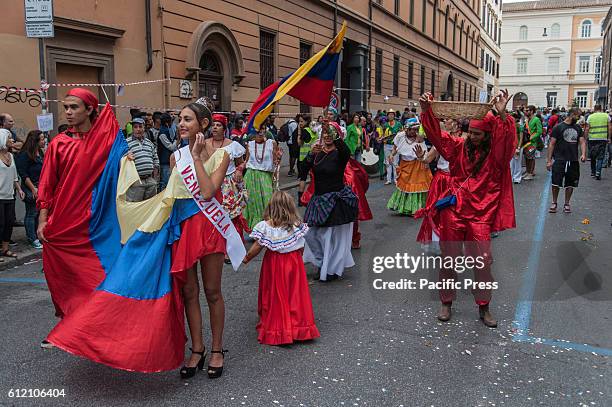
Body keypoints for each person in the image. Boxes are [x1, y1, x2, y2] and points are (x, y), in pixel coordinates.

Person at [420, 90, 516, 328]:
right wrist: (426, 111)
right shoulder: (458, 147)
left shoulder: (497, 155)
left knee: (482, 262)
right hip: (454, 210)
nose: (471, 137)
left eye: (476, 134)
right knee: (449, 258)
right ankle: (446, 302)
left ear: (487, 134)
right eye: (470, 132)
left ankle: (484, 306)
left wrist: (503, 117)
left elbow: (507, 140)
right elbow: (437, 136)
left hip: (481, 214)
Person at [36, 88, 109, 348]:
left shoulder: (107, 143)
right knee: (64, 279)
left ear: (89, 110)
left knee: (97, 277)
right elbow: (47, 184)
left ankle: (92, 324)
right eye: (66, 107)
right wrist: (43, 219)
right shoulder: (58, 144)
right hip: (63, 224)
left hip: (96, 224)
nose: (67, 112)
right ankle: (70, 323)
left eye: (74, 107)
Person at [170, 101, 232, 379]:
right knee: (189, 292)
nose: (181, 124)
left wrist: (196, 157)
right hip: (184, 229)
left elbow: (207, 192)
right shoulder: (175, 157)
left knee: (212, 291)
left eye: (187, 119)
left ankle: (217, 349)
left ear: (203, 125)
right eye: (179, 119)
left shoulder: (222, 156)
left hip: (210, 227)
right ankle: (197, 348)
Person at [243, 191, 319, 345]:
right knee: (295, 294)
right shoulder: (296, 225)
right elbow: (301, 246)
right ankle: (299, 327)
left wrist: (246, 258)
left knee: (277, 294)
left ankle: (279, 330)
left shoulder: (265, 227)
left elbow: (257, 247)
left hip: (275, 264)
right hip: (294, 263)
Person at [302, 123, 358, 281]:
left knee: (330, 238)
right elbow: (303, 171)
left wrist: (334, 133)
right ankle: (321, 262)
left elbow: (346, 152)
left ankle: (331, 269)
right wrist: (310, 156)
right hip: (319, 200)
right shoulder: (317, 152)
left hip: (336, 201)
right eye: (324, 133)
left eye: (330, 133)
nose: (326, 136)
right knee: (309, 233)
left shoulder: (339, 153)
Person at [206, 114, 249, 259]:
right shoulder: (205, 144)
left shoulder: (233, 145)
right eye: (213, 125)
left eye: (218, 125)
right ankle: (216, 247)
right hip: (211, 183)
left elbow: (241, 163)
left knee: (230, 217)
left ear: (224, 128)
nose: (215, 128)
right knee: (213, 216)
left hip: (228, 185)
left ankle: (232, 249)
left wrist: (239, 170)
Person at [387, 118, 432, 216]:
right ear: (407, 129)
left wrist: (422, 158)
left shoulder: (420, 139)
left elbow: (424, 155)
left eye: (416, 130)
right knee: (405, 186)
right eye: (413, 130)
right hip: (405, 164)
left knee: (416, 187)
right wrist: (391, 155)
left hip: (417, 166)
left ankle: (416, 209)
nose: (415, 132)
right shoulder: (400, 136)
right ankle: (403, 207)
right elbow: (395, 148)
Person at [546, 107, 587, 213]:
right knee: (556, 182)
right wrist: (549, 160)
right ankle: (554, 202)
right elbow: (552, 144)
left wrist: (583, 154)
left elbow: (582, 141)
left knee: (571, 183)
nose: (579, 118)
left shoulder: (578, 128)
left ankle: (567, 203)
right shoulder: (558, 127)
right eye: (578, 115)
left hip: (573, 160)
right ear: (572, 114)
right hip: (560, 159)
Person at [243, 126, 279, 230]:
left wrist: (275, 179)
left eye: (262, 129)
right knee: (253, 204)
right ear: (253, 132)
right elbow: (246, 161)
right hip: (251, 176)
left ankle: (268, 227)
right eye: (257, 130)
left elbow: (275, 162)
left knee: (268, 202)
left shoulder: (271, 143)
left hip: (265, 176)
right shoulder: (249, 144)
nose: (260, 132)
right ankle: (256, 229)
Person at [16, 129, 45, 249]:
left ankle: (37, 235)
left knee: (38, 212)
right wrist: (33, 189)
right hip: (30, 186)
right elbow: (23, 174)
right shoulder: (25, 154)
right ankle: (32, 238)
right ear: (35, 141)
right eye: (42, 139)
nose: (44, 141)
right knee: (31, 213)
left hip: (40, 185)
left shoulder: (40, 152)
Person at [0, 129, 25, 260]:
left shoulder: (11, 156)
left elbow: (14, 176)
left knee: (9, 222)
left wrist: (20, 189)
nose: (12, 141)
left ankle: (5, 249)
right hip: (0, 196)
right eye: (9, 138)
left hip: (10, 195)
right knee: (1, 223)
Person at [126, 117, 159, 202]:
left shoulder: (149, 143)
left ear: (144, 128)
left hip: (150, 181)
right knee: (135, 207)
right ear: (132, 129)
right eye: (135, 127)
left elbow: (156, 161)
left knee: (150, 206)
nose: (138, 129)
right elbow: (121, 160)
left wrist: (154, 179)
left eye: (140, 126)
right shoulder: (126, 143)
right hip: (135, 182)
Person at [584, 104, 611, 180]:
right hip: (602, 138)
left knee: (593, 156)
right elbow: (610, 127)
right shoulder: (606, 116)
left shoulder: (590, 117)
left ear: (594, 109)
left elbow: (587, 128)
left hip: (592, 139)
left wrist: (585, 139)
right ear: (601, 108)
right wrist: (609, 137)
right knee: (600, 156)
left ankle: (593, 172)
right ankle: (598, 172)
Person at [296, 116, 316, 205]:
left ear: (306, 121)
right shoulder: (314, 130)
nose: (300, 123)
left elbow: (300, 143)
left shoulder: (305, 131)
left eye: (301, 121)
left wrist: (299, 133)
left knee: (303, 178)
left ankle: (300, 200)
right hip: (314, 157)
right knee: (314, 177)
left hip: (304, 158)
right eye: (299, 122)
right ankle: (313, 196)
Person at [157, 112, 180, 190]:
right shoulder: (162, 133)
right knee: (166, 183)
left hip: (170, 161)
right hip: (165, 162)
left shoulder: (167, 130)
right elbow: (171, 147)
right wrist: (177, 139)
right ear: (167, 123)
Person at [522, 105, 542, 180]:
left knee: (531, 158)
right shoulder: (527, 120)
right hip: (526, 142)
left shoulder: (536, 119)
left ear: (532, 111)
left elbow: (539, 131)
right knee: (527, 157)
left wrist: (531, 137)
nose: (525, 112)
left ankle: (530, 173)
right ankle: (527, 172)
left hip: (532, 142)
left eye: (527, 110)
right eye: (525, 110)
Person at [383, 109, 402, 184]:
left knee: (395, 162)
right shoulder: (385, 125)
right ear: (387, 116)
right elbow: (382, 135)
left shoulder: (398, 124)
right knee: (388, 162)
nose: (390, 116)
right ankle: (388, 179)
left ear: (394, 115)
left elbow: (401, 134)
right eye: (389, 114)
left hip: (395, 145)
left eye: (392, 114)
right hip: (387, 145)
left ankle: (395, 179)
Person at [510, 112, 524, 184]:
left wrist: (518, 147)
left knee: (517, 162)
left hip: (517, 146)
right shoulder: (510, 125)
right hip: (511, 146)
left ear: (516, 119)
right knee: (511, 163)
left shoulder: (520, 126)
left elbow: (521, 138)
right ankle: (511, 177)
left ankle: (517, 178)